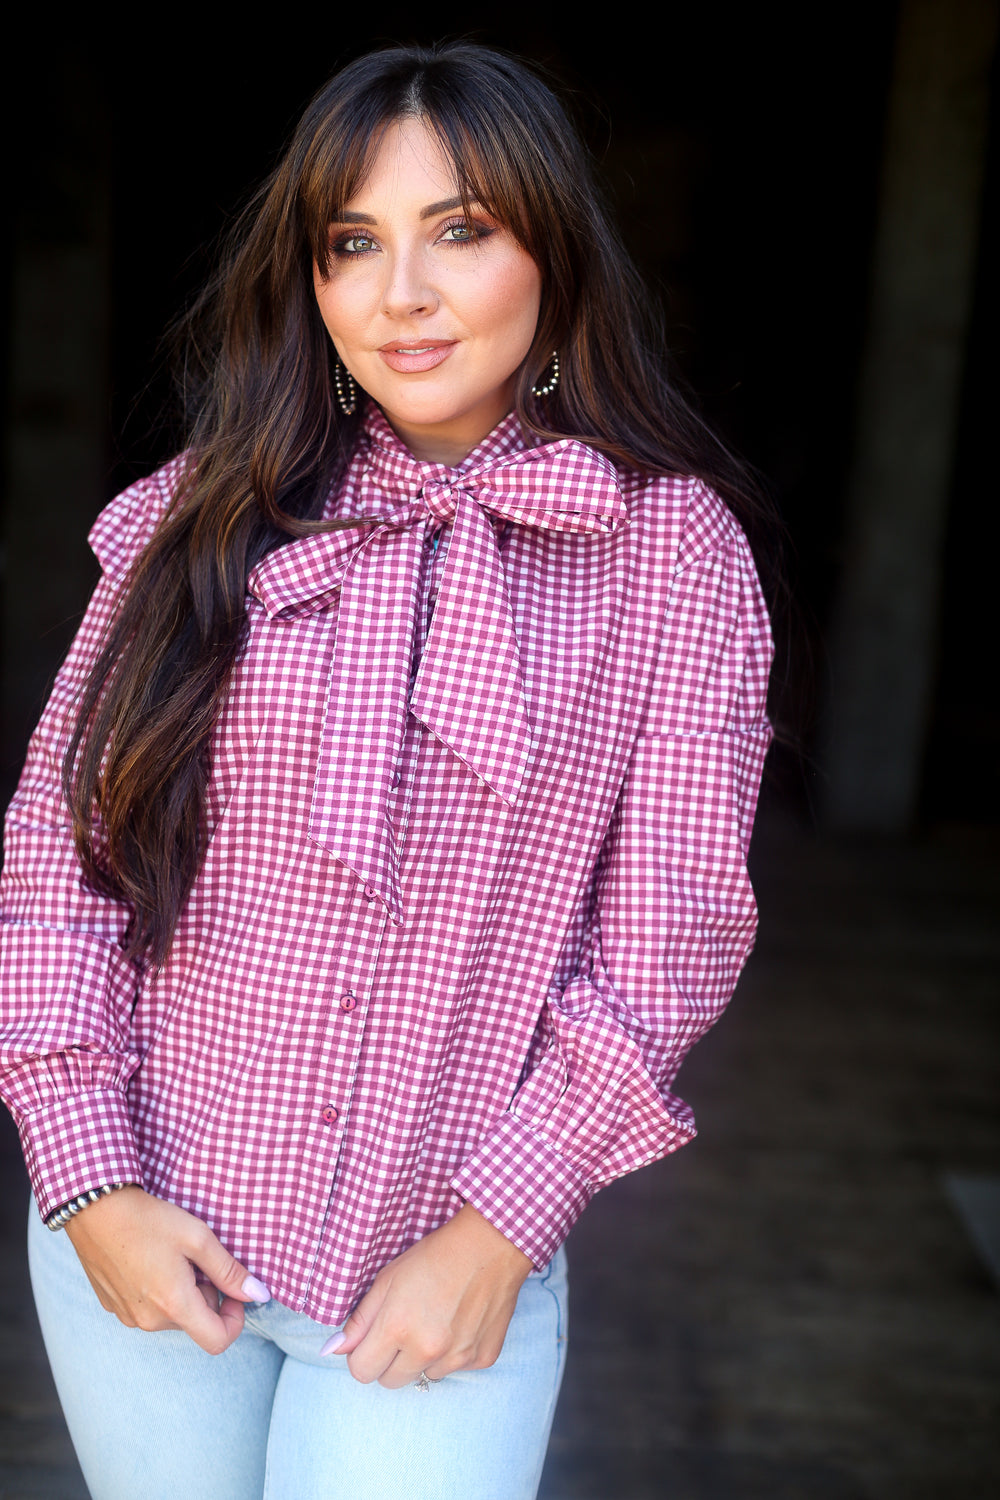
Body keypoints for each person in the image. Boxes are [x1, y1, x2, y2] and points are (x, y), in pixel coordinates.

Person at [0, 41, 774, 1500]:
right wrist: (89, 1179)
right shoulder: (197, 519)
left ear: (552, 252)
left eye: (460, 232)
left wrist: (499, 1230)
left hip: (437, 1274)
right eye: (353, 243)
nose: (400, 295)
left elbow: (670, 941)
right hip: (151, 1243)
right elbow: (59, 864)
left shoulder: (672, 558)